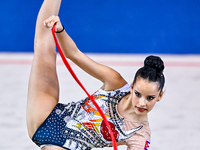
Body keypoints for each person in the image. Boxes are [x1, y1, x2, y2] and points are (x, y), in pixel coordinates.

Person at [26, 0, 165, 150]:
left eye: (150, 98)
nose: (142, 103)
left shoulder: (140, 135)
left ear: (160, 96)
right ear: (131, 87)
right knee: (44, 47)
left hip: (67, 147)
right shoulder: (115, 82)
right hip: (48, 115)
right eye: (138, 94)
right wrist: (60, 30)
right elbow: (74, 54)